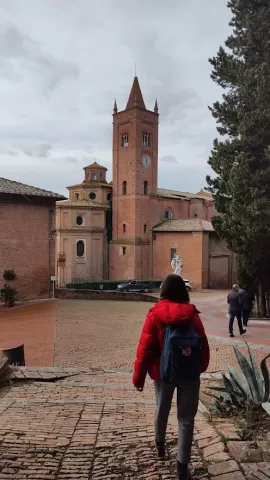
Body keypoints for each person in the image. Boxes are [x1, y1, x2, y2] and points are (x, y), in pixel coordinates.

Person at [133, 274, 210, 480]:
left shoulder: (154, 315)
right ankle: (182, 466)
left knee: (162, 408)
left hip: (162, 372)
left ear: (163, 291)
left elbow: (145, 348)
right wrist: (199, 369)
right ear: (183, 292)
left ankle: (160, 444)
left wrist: (138, 378)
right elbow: (203, 345)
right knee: (186, 419)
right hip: (188, 373)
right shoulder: (192, 315)